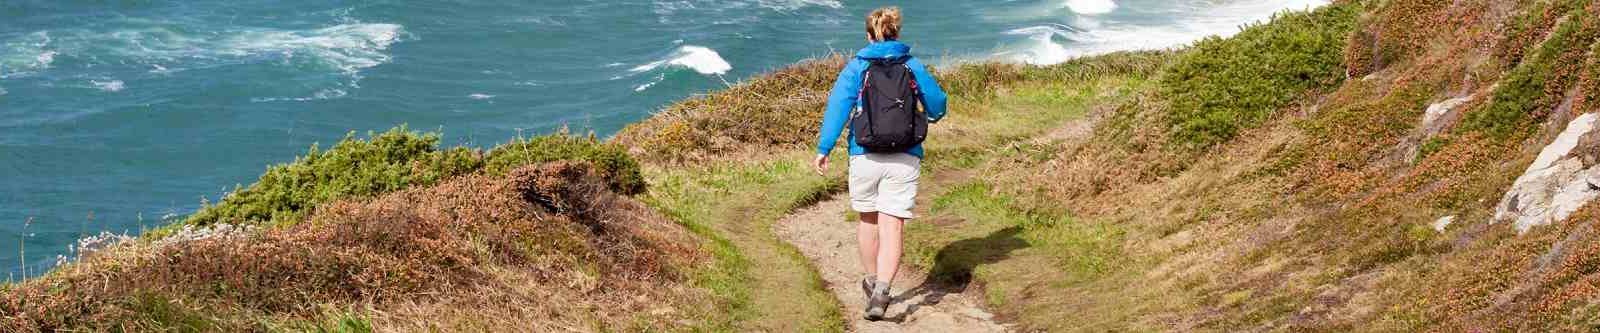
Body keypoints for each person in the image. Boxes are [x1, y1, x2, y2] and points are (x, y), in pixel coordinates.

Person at [811, 6, 948, 321]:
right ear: (897, 33)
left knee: (868, 221)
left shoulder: (856, 67)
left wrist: (824, 147)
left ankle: (872, 282)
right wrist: (930, 114)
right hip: (905, 155)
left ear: (868, 35)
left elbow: (838, 108)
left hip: (864, 155)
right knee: (893, 225)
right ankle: (883, 291)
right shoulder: (912, 65)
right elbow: (937, 104)